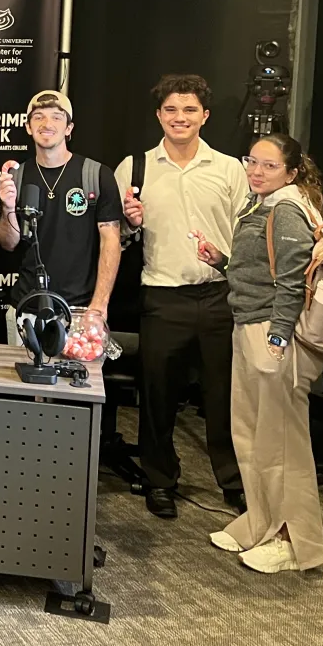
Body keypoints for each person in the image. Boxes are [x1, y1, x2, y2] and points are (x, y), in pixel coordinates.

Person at [116, 74, 251, 520]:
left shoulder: (231, 169)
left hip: (220, 297)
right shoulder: (134, 167)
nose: (180, 118)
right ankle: (159, 480)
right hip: (162, 296)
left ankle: (233, 481)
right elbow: (115, 240)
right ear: (159, 115)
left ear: (205, 116)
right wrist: (131, 224)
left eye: (190, 110)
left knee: (225, 396)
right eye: (171, 110)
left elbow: (249, 236)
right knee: (158, 396)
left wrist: (227, 260)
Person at [194, 133, 323, 574]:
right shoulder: (262, 205)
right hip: (248, 325)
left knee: (282, 442)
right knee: (251, 435)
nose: (256, 171)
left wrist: (278, 339)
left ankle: (296, 541)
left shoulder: (288, 209)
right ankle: (261, 521)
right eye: (252, 161)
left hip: (271, 335)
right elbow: (260, 270)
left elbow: (291, 283)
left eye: (269, 166)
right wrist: (222, 261)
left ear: (291, 172)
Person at [0, 89, 122, 335]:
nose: (47, 124)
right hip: (26, 309)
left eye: (56, 117)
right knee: (22, 375)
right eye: (39, 117)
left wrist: (98, 306)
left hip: (80, 311)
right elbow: (8, 243)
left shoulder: (96, 175)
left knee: (81, 374)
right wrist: (8, 207)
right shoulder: (17, 177)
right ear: (29, 127)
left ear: (69, 128)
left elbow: (111, 241)